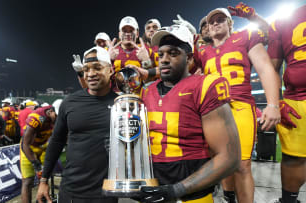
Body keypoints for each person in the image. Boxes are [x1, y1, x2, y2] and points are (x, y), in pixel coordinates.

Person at [133, 24, 240, 203]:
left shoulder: (205, 86)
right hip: (153, 192)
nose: (164, 60)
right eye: (161, 54)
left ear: (189, 58)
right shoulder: (146, 91)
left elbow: (230, 157)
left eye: (173, 53)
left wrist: (176, 190)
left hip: (192, 195)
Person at [198, 8, 281, 203]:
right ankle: (228, 198)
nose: (215, 23)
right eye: (211, 22)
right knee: (222, 161)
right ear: (207, 29)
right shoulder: (202, 51)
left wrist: (273, 104)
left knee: (242, 164)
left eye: (220, 19)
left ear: (230, 23)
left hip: (240, 106)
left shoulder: (246, 37)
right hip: (213, 112)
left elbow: (265, 67)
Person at [36, 46, 118, 203]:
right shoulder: (70, 102)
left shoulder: (121, 103)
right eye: (86, 69)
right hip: (71, 190)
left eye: (97, 67)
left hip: (106, 193)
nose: (91, 73)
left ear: (111, 70)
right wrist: (44, 180)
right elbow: (56, 141)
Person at [267, 5, 306, 203]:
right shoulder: (283, 20)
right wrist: (276, 102)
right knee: (294, 158)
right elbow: (271, 68)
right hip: (297, 99)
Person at [20, 104, 57, 203]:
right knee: (28, 181)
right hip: (29, 148)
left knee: (44, 177)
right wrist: (35, 162)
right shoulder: (36, 119)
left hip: (44, 146)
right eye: (56, 115)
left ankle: (41, 199)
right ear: (50, 112)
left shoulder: (56, 117)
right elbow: (25, 144)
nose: (58, 118)